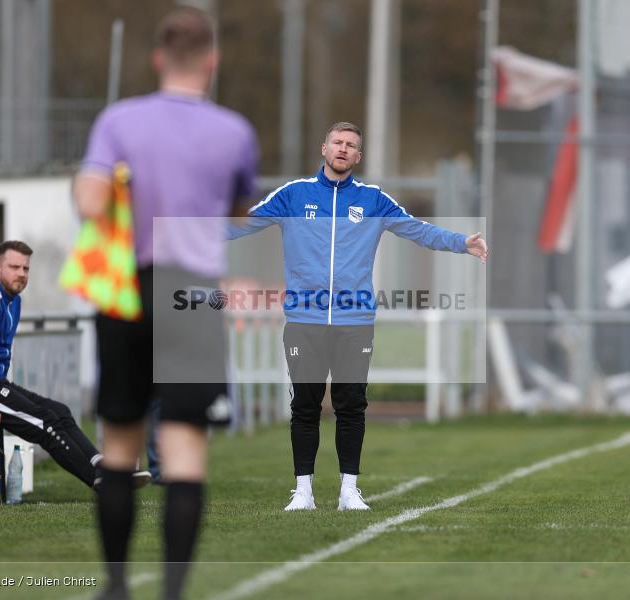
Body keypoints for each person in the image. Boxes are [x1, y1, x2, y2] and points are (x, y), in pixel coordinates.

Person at [74, 7, 259, 599]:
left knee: (121, 449)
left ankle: (117, 587)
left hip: (129, 289)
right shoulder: (235, 131)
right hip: (195, 293)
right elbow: (236, 216)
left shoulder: (118, 120)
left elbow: (89, 202)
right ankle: (174, 592)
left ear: (157, 59)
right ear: (212, 62)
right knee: (184, 453)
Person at [231, 121, 488, 511]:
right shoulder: (294, 195)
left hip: (355, 324)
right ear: (324, 148)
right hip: (305, 321)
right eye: (338, 142)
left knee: (352, 405)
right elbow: (240, 223)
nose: (344, 149)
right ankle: (303, 492)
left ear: (358, 156)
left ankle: (349, 491)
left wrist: (460, 242)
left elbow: (417, 230)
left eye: (351, 145)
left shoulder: (374, 201)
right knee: (305, 405)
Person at [0, 240, 150, 490]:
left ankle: (103, 466)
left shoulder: (12, 300)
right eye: (14, 267)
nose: (21, 274)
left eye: (25, 269)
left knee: (60, 411)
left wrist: (1, 390)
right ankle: (101, 480)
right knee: (44, 422)